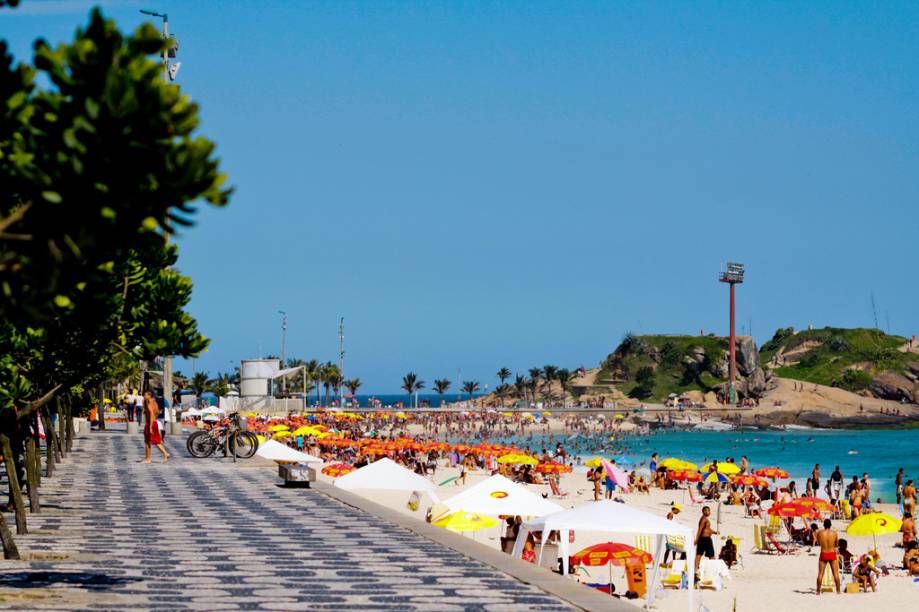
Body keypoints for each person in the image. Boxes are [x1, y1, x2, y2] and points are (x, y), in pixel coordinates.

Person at [142, 390, 170, 464]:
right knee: (155, 441)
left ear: (149, 395)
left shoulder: (149, 403)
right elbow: (157, 412)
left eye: (145, 395)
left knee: (148, 441)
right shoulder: (154, 402)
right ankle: (165, 454)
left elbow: (151, 414)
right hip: (155, 422)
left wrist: (150, 426)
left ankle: (148, 459)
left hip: (150, 424)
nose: (144, 396)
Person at [815, 518, 840, 594]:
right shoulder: (834, 533)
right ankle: (838, 591)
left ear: (824, 525)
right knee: (835, 573)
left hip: (823, 553)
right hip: (832, 553)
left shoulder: (819, 533)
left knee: (820, 574)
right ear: (830, 525)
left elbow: (818, 543)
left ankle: (818, 591)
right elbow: (836, 544)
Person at [694, 505, 717, 576]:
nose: (709, 512)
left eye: (709, 510)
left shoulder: (705, 519)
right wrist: (696, 539)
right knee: (710, 555)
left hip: (704, 539)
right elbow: (700, 529)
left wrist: (715, 532)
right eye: (707, 510)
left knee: (699, 554)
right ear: (703, 511)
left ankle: (696, 569)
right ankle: (697, 569)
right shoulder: (704, 519)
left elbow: (707, 529)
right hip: (705, 539)